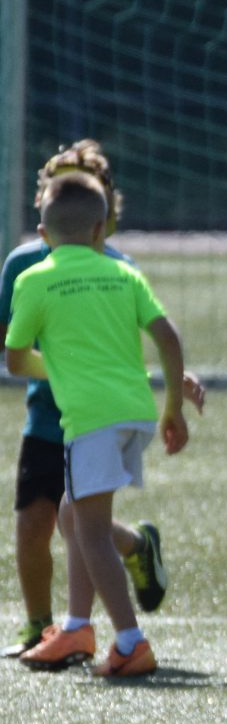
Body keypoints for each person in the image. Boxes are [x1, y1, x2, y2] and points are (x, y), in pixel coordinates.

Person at [5, 143, 198, 657]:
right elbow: (166, 336)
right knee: (63, 518)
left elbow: (16, 358)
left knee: (85, 531)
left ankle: (128, 641)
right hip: (114, 413)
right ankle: (63, 627)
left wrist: (64, 368)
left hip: (87, 417)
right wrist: (173, 400)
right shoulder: (120, 273)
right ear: (98, 227)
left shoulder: (41, 277)